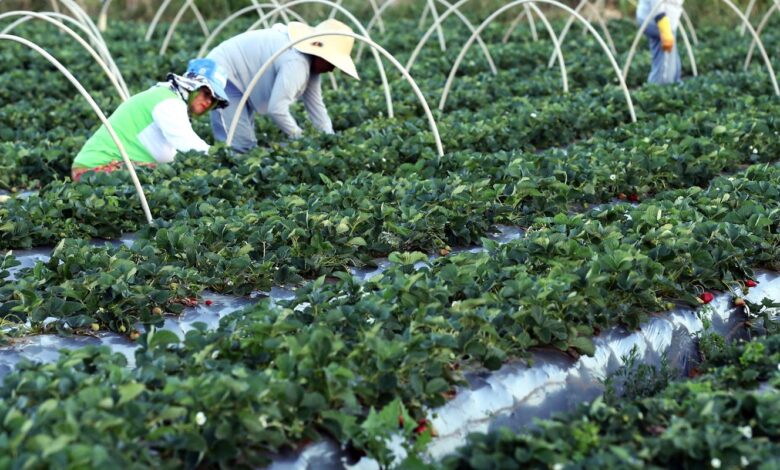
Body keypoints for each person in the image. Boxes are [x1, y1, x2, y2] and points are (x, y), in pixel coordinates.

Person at [207, 19, 359, 152]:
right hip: (222, 72)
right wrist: (299, 137)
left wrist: (329, 139)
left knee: (243, 142)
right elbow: (277, 109)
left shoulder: (310, 65)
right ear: (320, 54)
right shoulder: (296, 63)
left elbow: (316, 106)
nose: (332, 69)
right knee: (238, 145)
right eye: (332, 62)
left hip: (240, 76)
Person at [70, 58, 229, 182]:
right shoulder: (169, 102)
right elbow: (187, 143)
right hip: (95, 169)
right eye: (206, 93)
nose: (208, 101)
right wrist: (222, 159)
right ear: (193, 87)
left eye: (214, 99)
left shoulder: (167, 97)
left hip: (101, 167)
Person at [637, 0, 684, 85]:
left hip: (664, 20)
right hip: (659, 21)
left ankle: (672, 86)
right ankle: (656, 93)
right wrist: (663, 26)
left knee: (674, 70)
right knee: (665, 76)